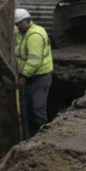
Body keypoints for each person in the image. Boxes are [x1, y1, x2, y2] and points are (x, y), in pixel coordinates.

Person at [14, 8, 53, 138]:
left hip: (40, 77)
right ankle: (30, 137)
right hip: (27, 77)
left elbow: (34, 61)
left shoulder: (35, 36)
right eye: (16, 24)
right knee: (26, 111)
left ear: (27, 21)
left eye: (20, 23)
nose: (18, 26)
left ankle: (45, 137)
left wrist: (23, 75)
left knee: (38, 108)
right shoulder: (20, 32)